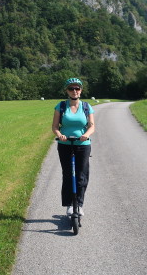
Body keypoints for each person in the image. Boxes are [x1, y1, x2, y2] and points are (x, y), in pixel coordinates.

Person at [51, 77, 95, 216]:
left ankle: (80, 205)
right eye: (71, 88)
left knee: (82, 175)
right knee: (68, 175)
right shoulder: (61, 106)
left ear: (81, 91)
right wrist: (60, 134)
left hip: (82, 144)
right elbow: (55, 126)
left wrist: (86, 135)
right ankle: (69, 205)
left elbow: (92, 126)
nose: (74, 91)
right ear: (67, 91)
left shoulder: (87, 107)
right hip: (65, 144)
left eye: (77, 88)